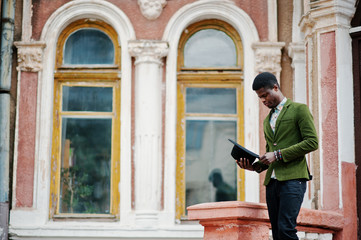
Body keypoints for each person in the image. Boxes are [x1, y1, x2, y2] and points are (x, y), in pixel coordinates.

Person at [236, 72, 318, 240]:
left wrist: (278, 155)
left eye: (265, 95)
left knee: (286, 229)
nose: (264, 100)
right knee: (277, 233)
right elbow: (269, 154)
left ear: (275, 87)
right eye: (260, 98)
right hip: (272, 183)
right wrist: (254, 166)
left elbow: (312, 142)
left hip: (294, 179)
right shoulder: (267, 121)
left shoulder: (299, 110)